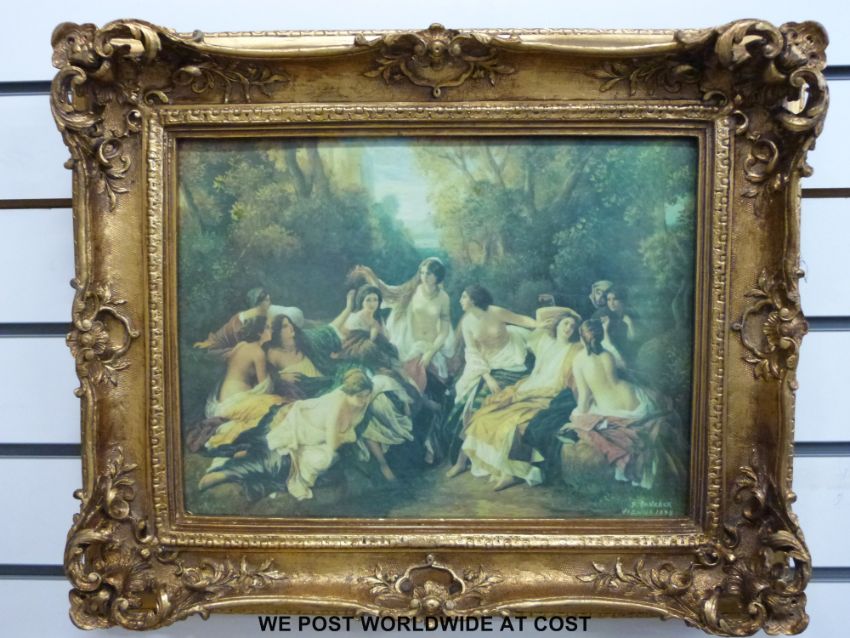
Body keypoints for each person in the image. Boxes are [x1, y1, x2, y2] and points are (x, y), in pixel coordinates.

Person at [200, 369, 374, 500]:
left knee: (320, 463)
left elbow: (335, 441)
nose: (364, 401)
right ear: (347, 393)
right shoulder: (336, 407)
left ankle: (248, 454)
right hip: (292, 427)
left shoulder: (359, 402)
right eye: (360, 397)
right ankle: (225, 474)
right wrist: (346, 437)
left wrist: (343, 437)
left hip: (311, 441)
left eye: (366, 396)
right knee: (278, 463)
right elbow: (333, 443)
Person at [460, 307, 583, 490]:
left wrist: (571, 317)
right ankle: (500, 469)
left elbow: (565, 385)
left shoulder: (576, 350)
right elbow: (541, 313)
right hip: (528, 387)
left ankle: (513, 473)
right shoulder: (544, 340)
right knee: (485, 416)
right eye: (565, 323)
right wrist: (569, 312)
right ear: (556, 324)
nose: (568, 328)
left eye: (573, 326)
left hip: (549, 394)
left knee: (511, 424)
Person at [562, 319, 677, 489]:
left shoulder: (579, 360)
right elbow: (621, 369)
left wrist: (577, 414)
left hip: (615, 409)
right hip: (638, 401)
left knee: (578, 418)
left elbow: (584, 396)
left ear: (581, 336)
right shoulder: (608, 354)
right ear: (601, 336)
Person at [444, 284, 538, 476]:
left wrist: (541, 325)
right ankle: (461, 461)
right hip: (488, 367)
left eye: (464, 297)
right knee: (471, 408)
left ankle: (485, 461)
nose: (460, 300)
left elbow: (521, 320)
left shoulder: (495, 312)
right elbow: (473, 353)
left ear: (474, 299)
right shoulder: (467, 322)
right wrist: (488, 378)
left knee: (489, 408)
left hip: (512, 361)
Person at [350, 259, 453, 393]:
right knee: (408, 381)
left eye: (428, 273)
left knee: (436, 384)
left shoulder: (444, 298)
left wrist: (431, 352)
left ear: (437, 276)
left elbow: (444, 331)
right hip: (410, 346)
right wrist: (371, 276)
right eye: (422, 273)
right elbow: (388, 293)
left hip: (430, 346)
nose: (424, 276)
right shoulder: (411, 291)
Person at [194, 287, 304, 357]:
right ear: (257, 302)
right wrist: (211, 342)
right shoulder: (245, 317)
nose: (269, 303)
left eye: (269, 300)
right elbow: (227, 331)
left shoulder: (267, 315)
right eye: (266, 300)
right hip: (235, 346)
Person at [592, 288, 636, 363]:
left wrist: (630, 324)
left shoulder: (630, 314)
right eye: (608, 300)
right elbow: (603, 344)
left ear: (622, 301)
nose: (611, 303)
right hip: (606, 356)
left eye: (615, 299)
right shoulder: (602, 315)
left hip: (625, 355)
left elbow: (633, 341)